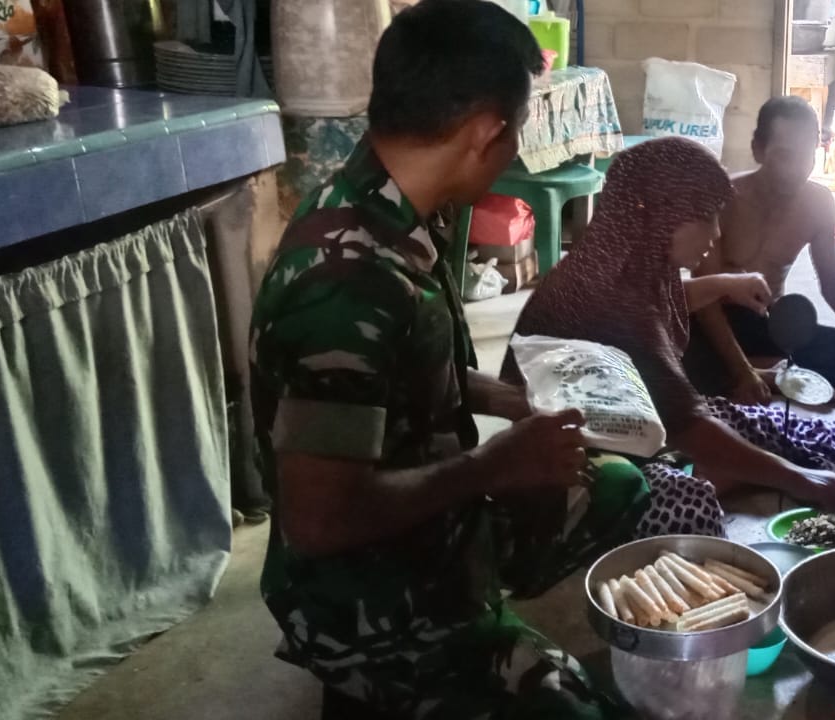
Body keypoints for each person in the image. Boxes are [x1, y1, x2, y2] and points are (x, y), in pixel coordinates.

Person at [249, 3, 635, 717]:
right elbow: (320, 520)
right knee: (580, 709)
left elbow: (397, 376)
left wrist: (505, 399)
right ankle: (391, 680)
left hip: (428, 524)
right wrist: (494, 465)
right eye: (518, 129)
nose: (515, 149)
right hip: (365, 601)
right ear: (486, 131)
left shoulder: (392, 201)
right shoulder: (347, 281)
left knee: (616, 484)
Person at [502, 137, 835, 537]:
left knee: (770, 425)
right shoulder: (614, 299)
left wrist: (725, 285)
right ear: (663, 215)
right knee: (688, 503)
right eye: (706, 217)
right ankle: (730, 473)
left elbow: (672, 299)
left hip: (632, 422)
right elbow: (687, 425)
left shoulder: (626, 259)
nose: (716, 234)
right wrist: (800, 481)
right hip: (575, 464)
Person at [684, 95, 835, 404]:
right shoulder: (723, 199)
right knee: (673, 356)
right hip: (715, 325)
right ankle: (762, 372)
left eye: (806, 156)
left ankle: (765, 371)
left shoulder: (818, 204)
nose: (796, 170)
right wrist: (743, 371)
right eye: (785, 156)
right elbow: (704, 301)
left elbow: (834, 286)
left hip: (770, 325)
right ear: (758, 149)